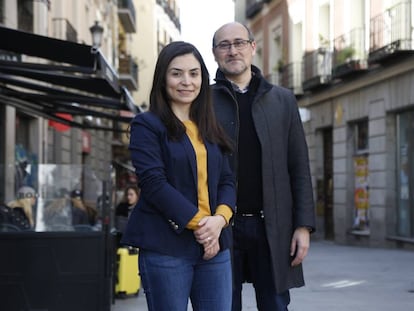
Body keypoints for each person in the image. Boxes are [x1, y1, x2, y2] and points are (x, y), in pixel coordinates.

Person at [121, 41, 236, 311]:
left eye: (194, 74)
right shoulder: (146, 125)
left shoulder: (210, 127)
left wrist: (219, 221)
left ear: (202, 79)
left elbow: (227, 181)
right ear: (163, 78)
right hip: (166, 247)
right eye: (177, 73)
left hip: (215, 246)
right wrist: (202, 226)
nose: (186, 81)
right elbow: (153, 184)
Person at [211, 22, 316, 311]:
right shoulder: (203, 102)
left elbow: (299, 166)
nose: (233, 51)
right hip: (221, 227)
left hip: (273, 226)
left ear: (253, 47)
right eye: (224, 45)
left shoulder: (282, 100)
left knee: (275, 305)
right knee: (221, 304)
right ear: (215, 53)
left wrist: (303, 225)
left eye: (239, 43)